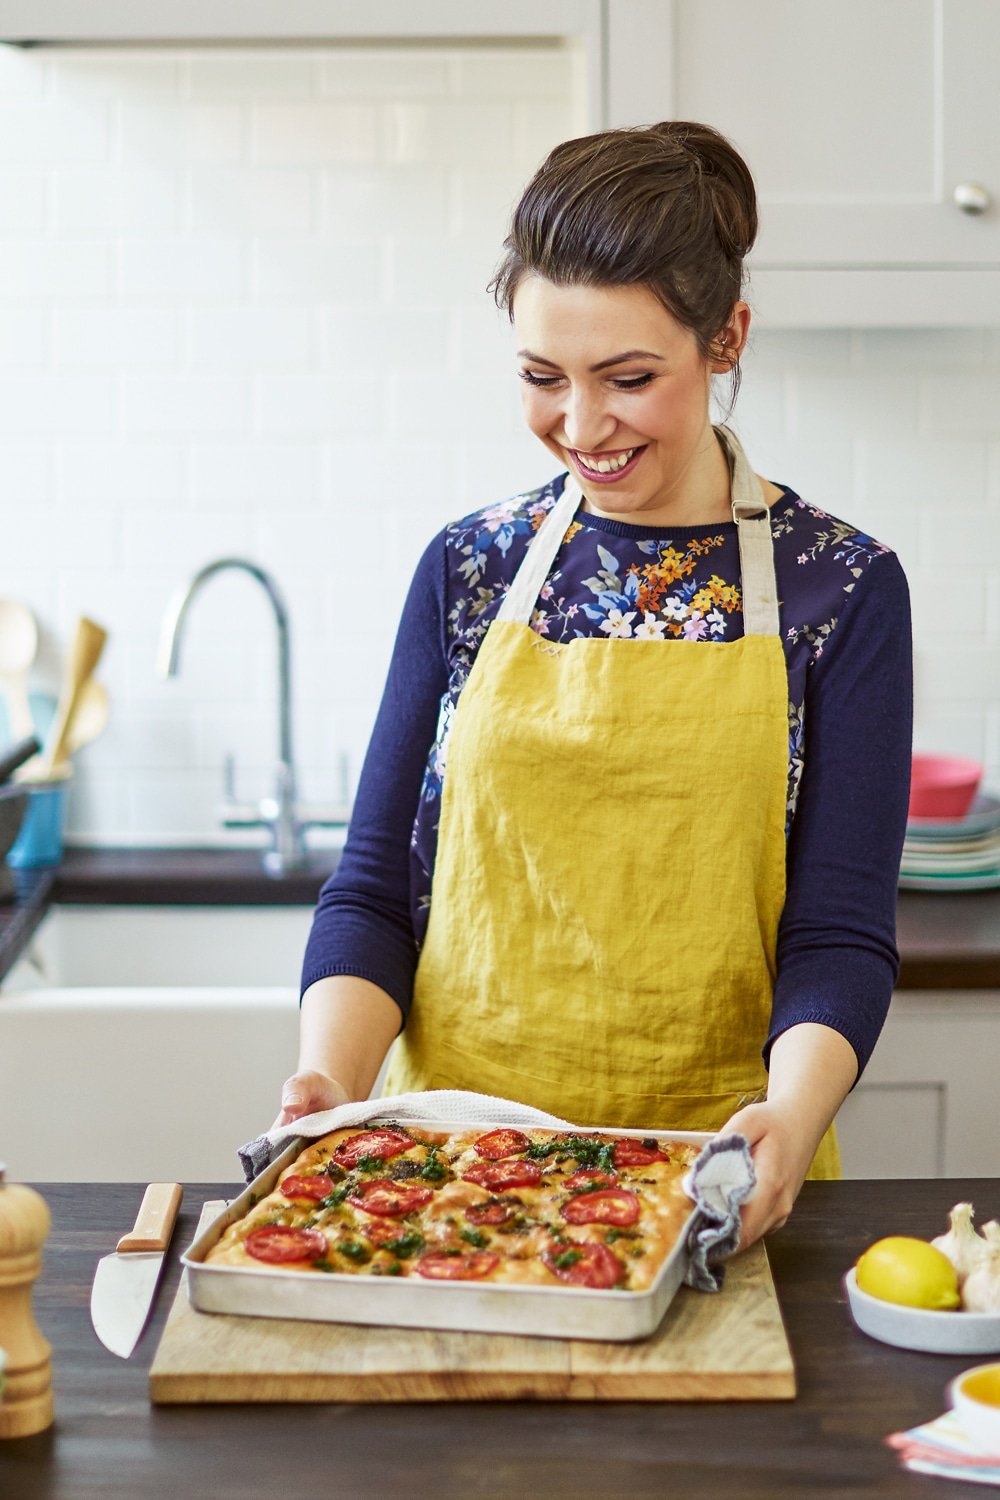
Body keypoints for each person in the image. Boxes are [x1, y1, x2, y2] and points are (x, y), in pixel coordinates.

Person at [274, 121, 912, 1249]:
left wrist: (794, 1118)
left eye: (627, 379)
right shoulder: (466, 571)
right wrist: (330, 1077)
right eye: (540, 377)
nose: (580, 427)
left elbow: (838, 934)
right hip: (448, 1177)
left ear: (726, 339)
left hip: (716, 1180)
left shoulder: (843, 591)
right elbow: (375, 891)